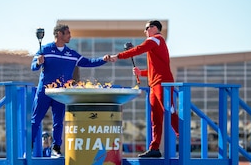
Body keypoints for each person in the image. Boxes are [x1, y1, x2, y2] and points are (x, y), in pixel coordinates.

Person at [31, 23, 110, 158]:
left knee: (58, 122)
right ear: (59, 34)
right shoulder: (45, 49)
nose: (70, 36)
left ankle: (56, 148)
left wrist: (103, 59)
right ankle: (29, 146)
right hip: (44, 92)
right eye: (68, 33)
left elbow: (88, 62)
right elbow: (33, 67)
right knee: (35, 120)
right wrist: (38, 62)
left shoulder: (71, 53)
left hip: (61, 93)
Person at [106, 20, 179, 158]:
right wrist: (142, 73)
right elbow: (155, 69)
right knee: (155, 118)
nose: (144, 31)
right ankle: (155, 148)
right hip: (154, 84)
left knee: (169, 111)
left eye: (146, 28)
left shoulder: (156, 39)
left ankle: (182, 136)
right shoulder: (155, 43)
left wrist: (118, 56)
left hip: (162, 84)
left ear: (154, 28)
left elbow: (138, 49)